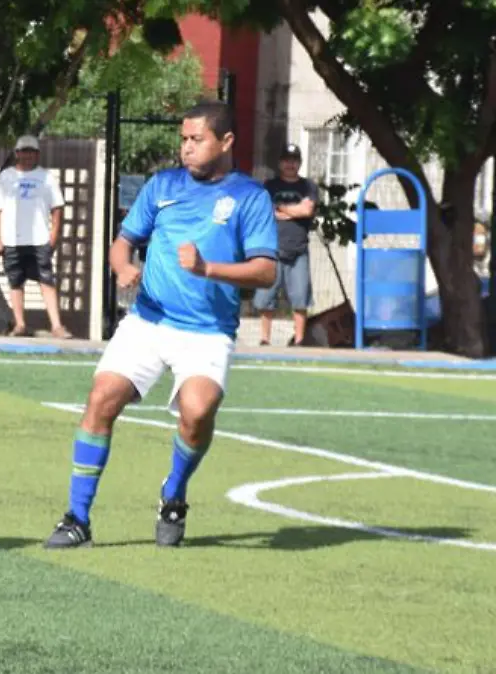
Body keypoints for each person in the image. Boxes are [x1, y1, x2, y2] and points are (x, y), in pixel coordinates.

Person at [43, 101, 277, 549]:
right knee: (101, 397)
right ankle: (77, 518)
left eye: (197, 139)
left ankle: (174, 494)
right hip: (148, 321)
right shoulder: (162, 185)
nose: (186, 148)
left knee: (197, 412)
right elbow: (123, 242)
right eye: (183, 139)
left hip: (207, 331)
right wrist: (123, 267)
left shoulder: (250, 197)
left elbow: (266, 271)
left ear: (226, 142)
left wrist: (209, 269)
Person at [0, 134, 73, 338]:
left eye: (31, 152)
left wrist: (54, 235)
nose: (27, 156)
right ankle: (20, 324)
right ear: (16, 154)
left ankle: (57, 326)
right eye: (23, 152)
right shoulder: (5, 177)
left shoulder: (47, 177)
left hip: (39, 239)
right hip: (11, 240)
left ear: (37, 155)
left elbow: (57, 208)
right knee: (15, 282)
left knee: (46, 281)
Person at [254, 143, 318, 345]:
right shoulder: (269, 186)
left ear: (299, 163)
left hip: (298, 249)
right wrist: (294, 210)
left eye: (294, 160)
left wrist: (281, 208)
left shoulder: (308, 186)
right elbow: (266, 213)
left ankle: (299, 340)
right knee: (266, 298)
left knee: (300, 298)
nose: (290, 164)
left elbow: (307, 211)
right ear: (280, 163)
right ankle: (265, 339)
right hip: (272, 249)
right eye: (286, 160)